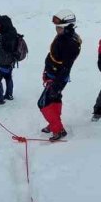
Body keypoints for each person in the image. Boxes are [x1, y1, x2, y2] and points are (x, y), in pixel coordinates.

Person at [38, 10, 82, 141]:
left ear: (68, 27)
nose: (56, 30)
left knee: (43, 103)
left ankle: (58, 130)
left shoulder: (71, 43)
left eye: (59, 27)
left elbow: (66, 67)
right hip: (53, 74)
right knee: (54, 99)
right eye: (56, 27)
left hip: (58, 78)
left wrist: (56, 84)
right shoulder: (63, 37)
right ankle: (54, 124)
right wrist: (46, 70)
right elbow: (53, 54)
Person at [0, 14, 20, 106]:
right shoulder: (12, 31)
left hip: (4, 60)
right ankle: (9, 95)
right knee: (8, 76)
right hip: (11, 59)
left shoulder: (7, 35)